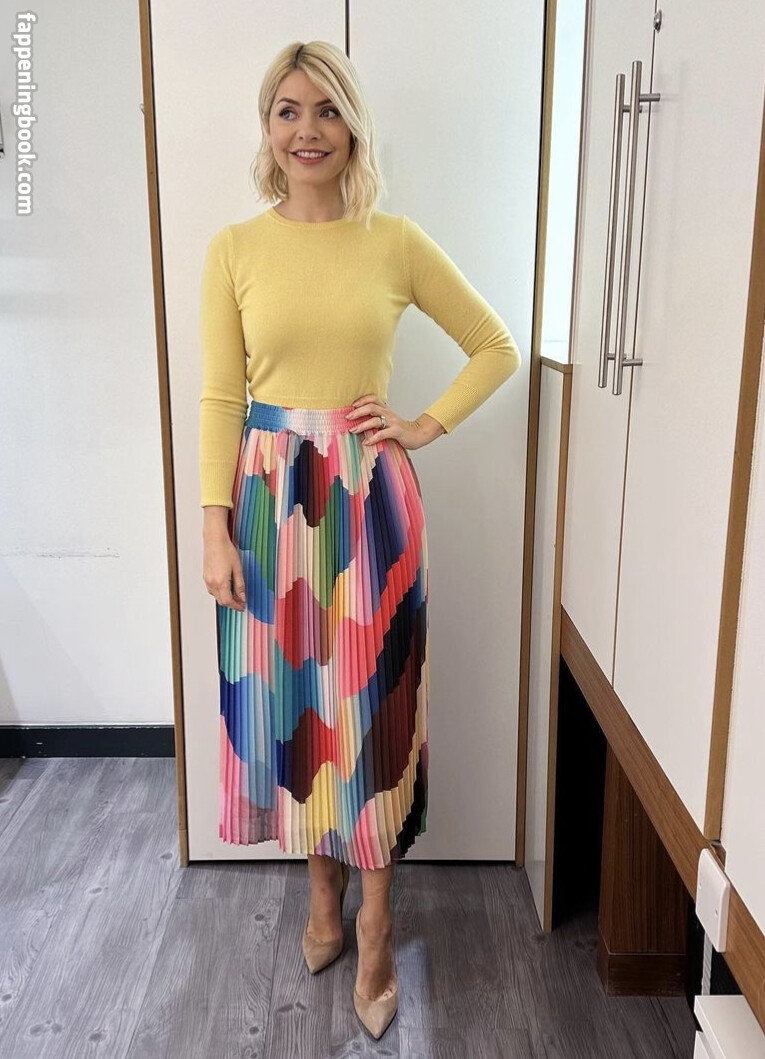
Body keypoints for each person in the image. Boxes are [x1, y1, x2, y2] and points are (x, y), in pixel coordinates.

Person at [199, 39, 522, 1040]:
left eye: (327, 110)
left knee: (371, 715)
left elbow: (495, 346)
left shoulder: (395, 241)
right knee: (297, 706)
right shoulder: (233, 249)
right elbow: (219, 397)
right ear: (267, 127)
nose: (308, 131)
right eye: (288, 111)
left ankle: (376, 923)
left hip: (370, 503)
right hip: (267, 507)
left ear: (353, 126)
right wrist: (213, 528)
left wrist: (423, 424)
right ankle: (321, 892)